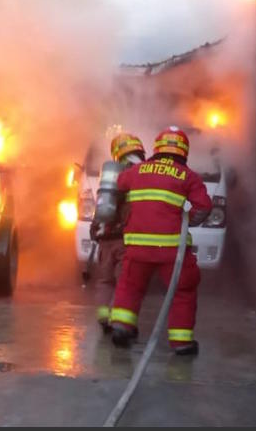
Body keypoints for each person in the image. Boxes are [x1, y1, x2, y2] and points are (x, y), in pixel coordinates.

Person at [109, 126, 211, 355]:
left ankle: (121, 329)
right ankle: (181, 342)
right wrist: (187, 220)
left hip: (138, 248)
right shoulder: (188, 176)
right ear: (184, 152)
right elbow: (204, 206)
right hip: (172, 250)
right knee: (183, 289)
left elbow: (117, 184)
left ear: (157, 148)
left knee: (130, 286)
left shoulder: (137, 171)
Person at [89, 132, 146, 334]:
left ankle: (104, 318)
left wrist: (95, 229)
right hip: (126, 240)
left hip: (105, 239)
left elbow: (101, 208)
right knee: (126, 282)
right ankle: (123, 324)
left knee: (105, 280)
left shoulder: (110, 176)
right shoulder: (142, 173)